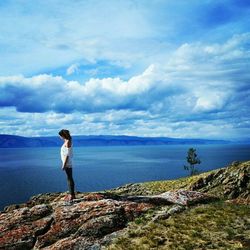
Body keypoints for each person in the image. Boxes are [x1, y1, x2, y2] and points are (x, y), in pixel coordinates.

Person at [58, 129, 76, 201]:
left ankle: (72, 195)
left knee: (69, 178)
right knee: (69, 178)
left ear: (63, 135)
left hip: (67, 163)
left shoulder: (68, 142)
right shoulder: (67, 141)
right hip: (67, 162)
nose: (60, 137)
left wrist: (64, 164)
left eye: (60, 136)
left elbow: (67, 155)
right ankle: (71, 194)